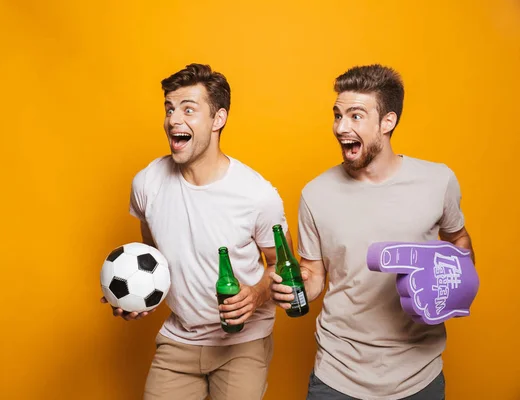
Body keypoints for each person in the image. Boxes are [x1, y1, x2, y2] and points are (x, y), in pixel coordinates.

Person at [270, 64, 475, 400]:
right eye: (337, 115)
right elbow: (313, 273)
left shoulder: (438, 182)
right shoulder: (315, 194)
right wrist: (295, 288)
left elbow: (458, 240)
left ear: (387, 122)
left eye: (355, 116)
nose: (340, 127)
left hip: (418, 376)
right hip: (338, 375)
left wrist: (459, 278)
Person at [102, 63, 290, 400]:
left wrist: (257, 294)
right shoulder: (147, 183)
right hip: (179, 340)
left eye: (189, 109)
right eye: (170, 109)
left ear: (218, 119)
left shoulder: (257, 195)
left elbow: (283, 264)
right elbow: (154, 257)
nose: (174, 119)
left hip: (241, 344)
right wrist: (136, 294)